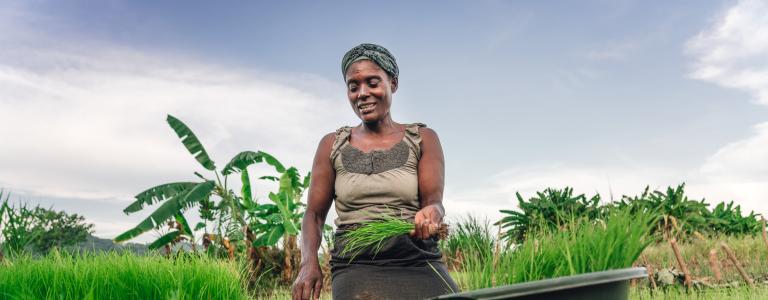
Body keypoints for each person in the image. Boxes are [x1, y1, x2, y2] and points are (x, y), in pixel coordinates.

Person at [292, 43, 458, 300]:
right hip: (356, 263)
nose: (362, 93)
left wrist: (431, 215)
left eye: (372, 82)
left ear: (393, 83)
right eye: (353, 86)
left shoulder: (423, 138)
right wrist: (308, 263)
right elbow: (313, 214)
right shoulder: (331, 144)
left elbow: (433, 203)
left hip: (416, 258)